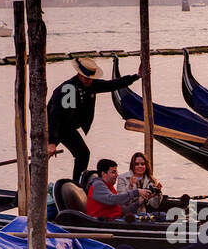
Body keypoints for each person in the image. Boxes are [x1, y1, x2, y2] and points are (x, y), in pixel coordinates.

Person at [47, 55, 140, 184]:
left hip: (68, 128)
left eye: (90, 78)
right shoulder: (69, 89)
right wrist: (52, 142)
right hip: (53, 125)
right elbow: (56, 116)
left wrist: (136, 76)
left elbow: (112, 84)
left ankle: (77, 186)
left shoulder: (92, 85)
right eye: (86, 78)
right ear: (79, 75)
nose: (88, 81)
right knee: (43, 156)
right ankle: (23, 192)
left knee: (83, 154)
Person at [86, 158, 150, 219]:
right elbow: (112, 199)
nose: (117, 175)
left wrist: (139, 202)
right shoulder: (98, 185)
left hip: (114, 220)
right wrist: (136, 192)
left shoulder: (109, 187)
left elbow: (122, 210)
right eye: (113, 172)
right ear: (103, 174)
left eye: (116, 172)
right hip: (102, 223)